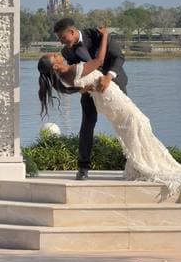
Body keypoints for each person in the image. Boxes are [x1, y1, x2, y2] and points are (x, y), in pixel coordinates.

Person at [38, 27, 181, 224]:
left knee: (132, 128)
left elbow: (84, 84)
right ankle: (144, 164)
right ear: (54, 67)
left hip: (104, 96)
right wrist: (105, 35)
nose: (58, 53)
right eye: (54, 56)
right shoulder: (71, 70)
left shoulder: (64, 78)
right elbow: (98, 61)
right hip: (110, 97)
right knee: (139, 123)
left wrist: (89, 86)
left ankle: (137, 164)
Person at [53, 18, 128, 180]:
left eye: (62, 38)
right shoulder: (67, 52)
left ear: (72, 32)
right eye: (59, 39)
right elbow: (76, 76)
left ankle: (131, 162)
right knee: (87, 125)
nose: (61, 42)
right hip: (90, 91)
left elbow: (119, 57)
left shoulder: (98, 35)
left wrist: (108, 77)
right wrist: (81, 89)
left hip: (114, 84)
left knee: (125, 124)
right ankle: (83, 168)